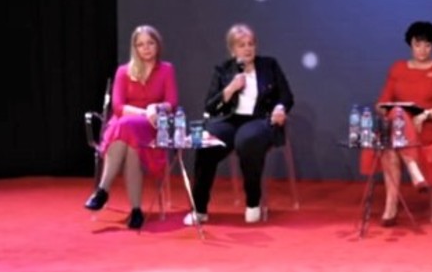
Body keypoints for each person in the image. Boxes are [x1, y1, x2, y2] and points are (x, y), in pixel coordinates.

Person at [185, 23, 294, 225]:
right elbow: (210, 106)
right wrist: (230, 89)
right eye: (241, 45)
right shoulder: (224, 70)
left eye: (251, 44)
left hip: (261, 119)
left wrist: (280, 108)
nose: (247, 48)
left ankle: (253, 201)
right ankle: (199, 209)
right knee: (205, 144)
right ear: (232, 50)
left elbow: (286, 96)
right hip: (230, 120)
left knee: (247, 140)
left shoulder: (269, 65)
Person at [363, 21, 432, 227]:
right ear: (410, 45)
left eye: (427, 45)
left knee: (392, 142)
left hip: (427, 128)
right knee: (397, 117)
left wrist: (425, 115)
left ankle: (391, 207)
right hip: (399, 128)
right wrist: (383, 108)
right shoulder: (398, 68)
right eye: (417, 45)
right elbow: (382, 101)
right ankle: (410, 174)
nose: (422, 50)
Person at [84, 25, 179, 230]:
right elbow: (118, 107)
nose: (146, 48)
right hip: (126, 124)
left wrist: (156, 107)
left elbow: (172, 102)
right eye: (140, 44)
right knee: (129, 137)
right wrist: (145, 112)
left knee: (126, 129)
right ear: (134, 48)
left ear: (158, 45)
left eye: (150, 43)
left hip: (151, 126)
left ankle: (103, 190)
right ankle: (136, 210)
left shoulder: (166, 69)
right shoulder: (123, 71)